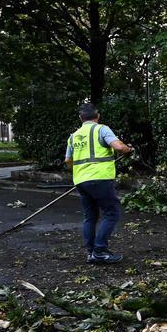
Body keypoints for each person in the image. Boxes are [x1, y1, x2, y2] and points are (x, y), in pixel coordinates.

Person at [65, 103, 132, 264]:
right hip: (100, 178)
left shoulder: (73, 136)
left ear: (80, 118)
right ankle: (100, 251)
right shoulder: (101, 129)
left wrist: (82, 172)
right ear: (98, 116)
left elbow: (68, 161)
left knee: (90, 217)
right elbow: (117, 147)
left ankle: (91, 252)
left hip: (81, 181)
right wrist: (127, 149)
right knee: (111, 213)